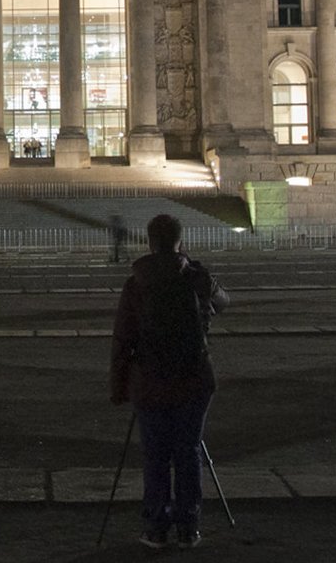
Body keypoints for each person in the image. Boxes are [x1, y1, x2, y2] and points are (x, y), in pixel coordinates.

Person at [111, 213, 229, 550]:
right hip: (194, 378)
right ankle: (188, 528)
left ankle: (156, 528)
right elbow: (225, 303)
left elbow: (122, 339)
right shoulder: (194, 277)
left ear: (149, 242)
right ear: (179, 240)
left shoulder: (137, 283)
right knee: (188, 452)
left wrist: (119, 388)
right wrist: (197, 269)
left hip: (150, 381)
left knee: (156, 456)